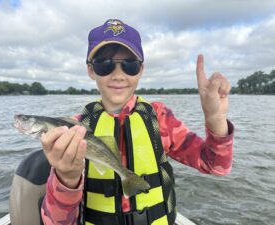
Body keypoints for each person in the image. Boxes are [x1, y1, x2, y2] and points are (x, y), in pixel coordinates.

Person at [40, 19, 234, 225]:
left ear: (141, 70)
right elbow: (56, 222)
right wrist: (66, 178)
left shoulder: (160, 119)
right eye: (104, 64)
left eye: (129, 65)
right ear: (90, 70)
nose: (118, 75)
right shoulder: (75, 130)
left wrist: (216, 120)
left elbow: (216, 166)